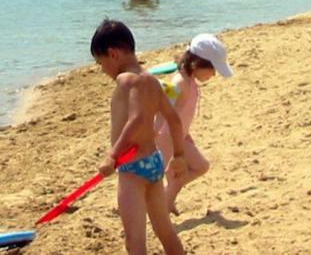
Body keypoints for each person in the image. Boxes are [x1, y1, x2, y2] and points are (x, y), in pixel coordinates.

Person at [89, 19, 186, 255]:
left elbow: (137, 119)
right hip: (154, 162)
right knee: (165, 230)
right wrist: (180, 155)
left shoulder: (126, 80)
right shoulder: (151, 80)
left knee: (135, 240)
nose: (103, 71)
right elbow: (174, 120)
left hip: (132, 168)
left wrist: (112, 156)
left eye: (101, 64)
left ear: (112, 54)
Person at [154, 34, 233, 213]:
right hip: (167, 138)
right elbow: (161, 110)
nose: (214, 75)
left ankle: (166, 199)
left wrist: (185, 133)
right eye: (213, 70)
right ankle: (162, 205)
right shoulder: (179, 83)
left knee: (201, 166)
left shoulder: (190, 81)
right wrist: (156, 135)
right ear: (198, 64)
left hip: (180, 136)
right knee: (175, 176)